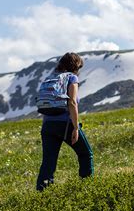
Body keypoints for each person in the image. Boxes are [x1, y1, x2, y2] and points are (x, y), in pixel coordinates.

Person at [36, 52, 94, 191]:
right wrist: (75, 128)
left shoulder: (50, 79)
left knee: (48, 162)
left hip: (47, 126)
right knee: (86, 154)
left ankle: (42, 195)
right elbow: (72, 102)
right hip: (65, 123)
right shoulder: (71, 78)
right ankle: (87, 188)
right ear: (75, 66)